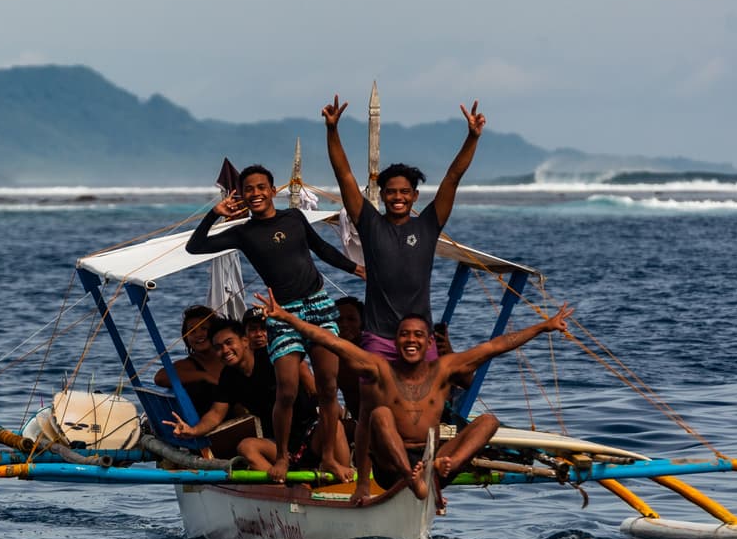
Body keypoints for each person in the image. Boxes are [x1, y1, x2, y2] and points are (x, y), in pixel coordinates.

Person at [257, 291, 573, 506]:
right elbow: (327, 339)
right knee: (380, 414)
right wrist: (288, 318)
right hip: (391, 465)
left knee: (488, 421)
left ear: (427, 343)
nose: (411, 340)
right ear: (395, 342)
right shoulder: (379, 367)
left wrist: (545, 326)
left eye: (418, 335)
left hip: (430, 460)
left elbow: (497, 345)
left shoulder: (445, 368)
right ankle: (418, 482)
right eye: (405, 335)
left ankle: (439, 472)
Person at [185, 165, 364, 481]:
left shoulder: (294, 218)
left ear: (272, 190)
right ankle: (281, 457)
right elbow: (194, 246)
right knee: (287, 390)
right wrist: (214, 213)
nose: (255, 193)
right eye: (248, 189)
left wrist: (353, 268)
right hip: (281, 312)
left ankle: (329, 460)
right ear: (241, 194)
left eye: (260, 187)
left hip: (318, 304)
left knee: (327, 388)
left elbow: (320, 249)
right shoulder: (242, 232)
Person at [323, 95, 485, 360]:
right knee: (378, 402)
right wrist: (332, 130)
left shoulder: (428, 225)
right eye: (391, 193)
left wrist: (473, 138)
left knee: (427, 402)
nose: (398, 197)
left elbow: (453, 178)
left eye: (404, 193)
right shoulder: (369, 224)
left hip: (420, 336)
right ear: (383, 195)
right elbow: (344, 175)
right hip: (378, 337)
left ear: (415, 196)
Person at [161, 316, 338, 473]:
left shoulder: (273, 358)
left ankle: (345, 484)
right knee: (246, 447)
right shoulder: (229, 376)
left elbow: (314, 386)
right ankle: (284, 489)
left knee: (335, 427)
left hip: (309, 432)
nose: (225, 350)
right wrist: (192, 431)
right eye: (218, 347)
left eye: (229, 343)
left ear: (245, 341)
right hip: (277, 443)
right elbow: (215, 414)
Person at [153, 304, 222, 414]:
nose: (198, 334)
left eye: (204, 329)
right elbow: (160, 377)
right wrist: (204, 376)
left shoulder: (228, 357)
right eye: (192, 331)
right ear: (186, 338)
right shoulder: (189, 365)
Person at [333, 296, 365, 420]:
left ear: (362, 323)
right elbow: (327, 397)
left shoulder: (372, 353)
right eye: (339, 320)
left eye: (351, 319)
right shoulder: (333, 357)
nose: (344, 324)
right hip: (357, 422)